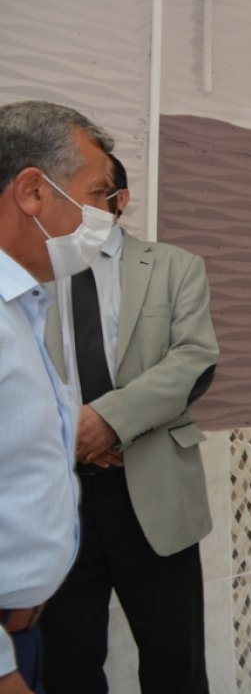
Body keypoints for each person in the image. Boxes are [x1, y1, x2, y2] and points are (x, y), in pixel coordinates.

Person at [38, 154, 219, 692]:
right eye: (69, 192)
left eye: (93, 193)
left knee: (174, 663)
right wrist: (71, 434)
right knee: (66, 663)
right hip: (60, 496)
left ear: (121, 199)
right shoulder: (33, 271)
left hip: (153, 490)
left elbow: (193, 360)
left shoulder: (175, 267)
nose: (80, 206)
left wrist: (107, 422)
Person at [0, 100, 116, 694]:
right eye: (96, 195)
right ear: (32, 192)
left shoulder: (22, 306)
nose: (106, 215)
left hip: (28, 630)